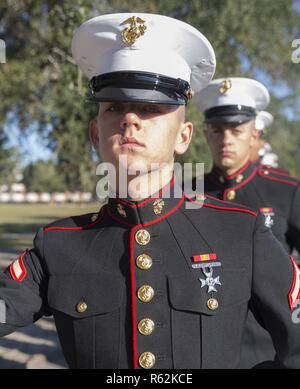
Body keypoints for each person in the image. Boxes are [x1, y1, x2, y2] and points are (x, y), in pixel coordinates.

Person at [0, 14, 299, 370]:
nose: (130, 119)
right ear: (96, 135)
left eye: (150, 108)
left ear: (183, 136)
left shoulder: (241, 232)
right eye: (114, 107)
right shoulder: (58, 245)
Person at [193, 77, 300, 368]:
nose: (225, 140)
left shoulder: (285, 190)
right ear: (205, 134)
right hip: (202, 345)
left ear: (254, 134)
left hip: (268, 348)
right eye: (217, 130)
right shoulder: (187, 195)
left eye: (236, 130)